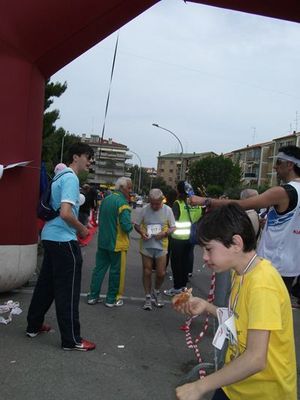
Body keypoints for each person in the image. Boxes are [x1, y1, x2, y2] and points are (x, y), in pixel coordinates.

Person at [173, 204, 296, 400]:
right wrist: (207, 307)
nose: (204, 257)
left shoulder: (262, 285)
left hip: (262, 392)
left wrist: (200, 386)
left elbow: (256, 359)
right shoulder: (241, 272)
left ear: (236, 243)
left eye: (209, 249)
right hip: (236, 382)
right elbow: (238, 319)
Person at [190, 145, 300, 297]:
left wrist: (205, 200)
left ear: (290, 165)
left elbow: (241, 205)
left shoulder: (283, 191)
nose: (274, 166)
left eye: (279, 162)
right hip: (291, 265)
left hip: (273, 263)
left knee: (255, 310)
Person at [27, 142, 96, 351]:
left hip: (50, 236)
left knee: (45, 285)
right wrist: (82, 229)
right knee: (69, 290)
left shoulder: (59, 175)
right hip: (64, 240)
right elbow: (66, 213)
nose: (90, 161)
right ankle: (72, 340)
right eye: (88, 156)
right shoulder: (71, 178)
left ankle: (34, 325)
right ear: (76, 157)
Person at [87, 177, 133, 307]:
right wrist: (131, 224)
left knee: (99, 270)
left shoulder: (106, 200)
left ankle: (92, 296)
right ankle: (111, 299)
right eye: (129, 188)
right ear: (123, 188)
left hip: (103, 242)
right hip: (117, 244)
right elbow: (126, 226)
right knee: (116, 272)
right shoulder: (123, 204)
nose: (131, 190)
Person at [134, 188, 176, 310]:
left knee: (161, 273)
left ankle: (156, 291)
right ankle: (147, 296)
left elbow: (173, 227)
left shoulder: (167, 210)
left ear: (162, 200)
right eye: (152, 203)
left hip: (161, 245)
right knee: (147, 271)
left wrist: (164, 234)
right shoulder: (144, 209)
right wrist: (142, 232)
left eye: (157, 203)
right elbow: (136, 225)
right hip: (147, 245)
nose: (154, 206)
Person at [164, 181, 202, 296]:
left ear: (179, 191)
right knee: (185, 263)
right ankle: (183, 286)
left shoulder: (178, 203)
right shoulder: (197, 204)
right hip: (190, 238)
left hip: (177, 238)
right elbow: (198, 218)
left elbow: (172, 220)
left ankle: (176, 287)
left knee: (176, 263)